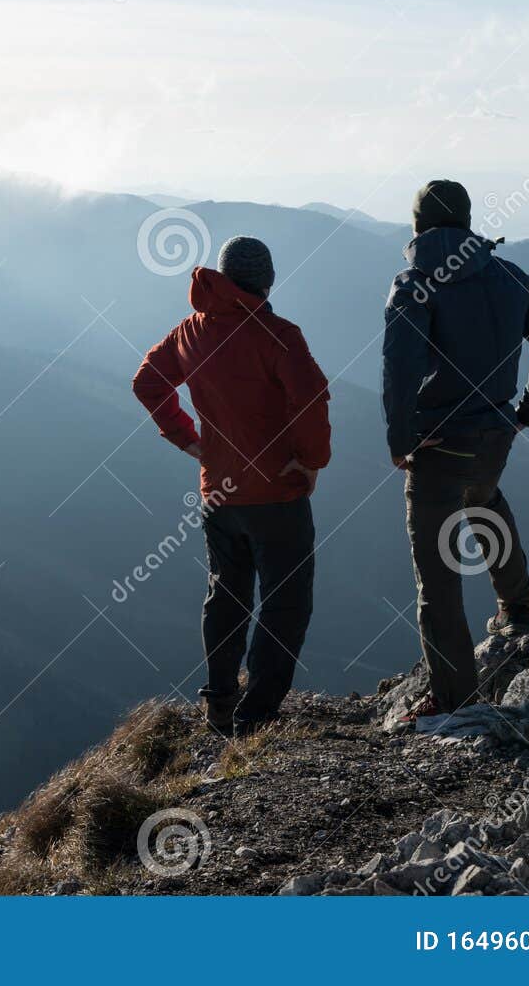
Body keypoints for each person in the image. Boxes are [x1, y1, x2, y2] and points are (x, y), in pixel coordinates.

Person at [382, 179, 529, 719]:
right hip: (494, 432)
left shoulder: (414, 285)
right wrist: (525, 412)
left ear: (418, 225)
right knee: (483, 499)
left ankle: (454, 699)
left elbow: (400, 371)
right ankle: (517, 607)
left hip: (440, 441)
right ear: (467, 222)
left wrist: (401, 440)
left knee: (437, 576)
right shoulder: (509, 276)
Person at [133, 236, 331, 737]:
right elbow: (312, 398)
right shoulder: (277, 335)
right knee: (286, 601)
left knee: (227, 594)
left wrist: (188, 441)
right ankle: (257, 713)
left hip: (218, 494)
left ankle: (220, 698)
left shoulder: (192, 330)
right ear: (266, 283)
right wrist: (311, 462)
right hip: (277, 494)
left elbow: (147, 383)